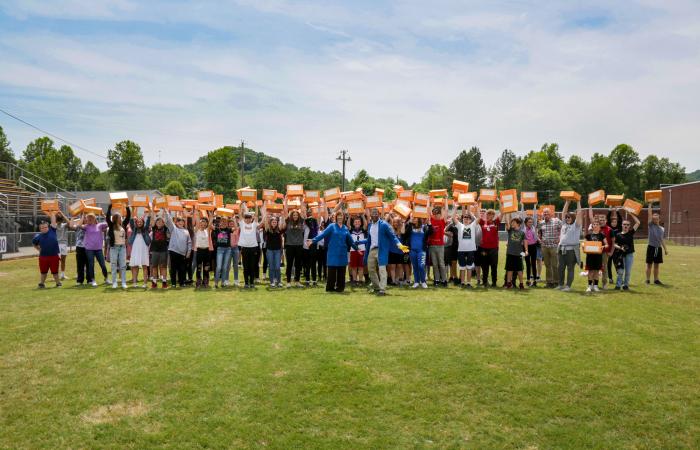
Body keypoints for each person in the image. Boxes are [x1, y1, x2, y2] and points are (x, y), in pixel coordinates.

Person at [361, 207, 409, 296]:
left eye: (376, 213)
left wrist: (400, 245)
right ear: (370, 215)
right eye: (373, 213)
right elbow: (370, 239)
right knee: (371, 269)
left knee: (382, 269)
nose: (374, 215)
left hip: (381, 250)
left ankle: (382, 289)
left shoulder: (384, 225)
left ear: (379, 215)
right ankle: (376, 287)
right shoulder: (370, 226)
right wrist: (360, 242)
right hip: (372, 250)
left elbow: (393, 236)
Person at [309, 209, 358, 292]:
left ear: (343, 218)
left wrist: (357, 248)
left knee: (341, 272)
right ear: (336, 217)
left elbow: (350, 241)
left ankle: (340, 288)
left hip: (342, 253)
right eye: (338, 216)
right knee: (331, 271)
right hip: (332, 253)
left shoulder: (345, 228)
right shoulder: (332, 226)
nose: (340, 217)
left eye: (341, 216)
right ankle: (330, 288)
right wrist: (313, 240)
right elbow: (323, 234)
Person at [557, 200, 583, 292]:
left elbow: (579, 214)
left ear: (573, 218)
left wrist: (578, 202)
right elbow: (563, 212)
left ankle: (568, 286)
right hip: (561, 249)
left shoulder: (576, 225)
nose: (567, 218)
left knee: (570, 268)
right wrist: (567, 202)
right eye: (567, 217)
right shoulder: (564, 224)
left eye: (569, 217)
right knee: (560, 267)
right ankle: (560, 284)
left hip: (571, 250)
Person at [163, 209, 192, 289]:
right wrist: (166, 212)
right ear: (176, 223)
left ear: (184, 223)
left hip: (182, 253)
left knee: (182, 269)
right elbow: (169, 221)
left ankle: (182, 283)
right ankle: (173, 283)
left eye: (182, 222)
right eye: (179, 221)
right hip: (173, 252)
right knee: (173, 268)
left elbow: (189, 243)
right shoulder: (173, 229)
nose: (181, 223)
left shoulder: (186, 231)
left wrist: (188, 252)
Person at [451, 206, 479, 288]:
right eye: (464, 218)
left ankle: (469, 283)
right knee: (462, 267)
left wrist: (476, 208)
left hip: (470, 250)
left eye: (468, 218)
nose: (466, 219)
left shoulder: (473, 225)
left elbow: (479, 218)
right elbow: (453, 217)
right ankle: (462, 282)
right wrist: (455, 207)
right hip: (461, 250)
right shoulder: (460, 225)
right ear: (462, 219)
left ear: (470, 220)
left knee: (469, 267)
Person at [80, 212, 109, 287]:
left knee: (102, 264)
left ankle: (106, 279)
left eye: (91, 218)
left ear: (94, 219)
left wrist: (103, 215)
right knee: (91, 265)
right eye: (88, 218)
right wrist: (83, 216)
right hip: (89, 249)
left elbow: (109, 222)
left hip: (98, 249)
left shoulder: (99, 225)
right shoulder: (86, 226)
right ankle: (93, 280)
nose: (89, 219)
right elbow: (79, 225)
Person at [32, 213, 61, 288]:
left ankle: (58, 283)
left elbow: (53, 221)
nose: (44, 229)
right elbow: (34, 244)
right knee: (43, 271)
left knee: (55, 271)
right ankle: (42, 283)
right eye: (42, 228)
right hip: (43, 257)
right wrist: (39, 249)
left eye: (45, 227)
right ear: (40, 229)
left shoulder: (52, 230)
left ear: (48, 227)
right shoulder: (37, 236)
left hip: (54, 256)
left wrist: (52, 212)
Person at [105, 204, 131, 289]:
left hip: (122, 248)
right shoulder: (111, 225)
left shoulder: (123, 225)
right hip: (114, 248)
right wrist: (109, 207)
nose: (121, 218)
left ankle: (123, 282)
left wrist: (127, 207)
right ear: (116, 218)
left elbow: (128, 216)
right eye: (120, 217)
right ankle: (114, 282)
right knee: (113, 265)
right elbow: (107, 217)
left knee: (123, 265)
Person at [613, 212, 640, 290]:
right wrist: (620, 248)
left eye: (627, 225)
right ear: (622, 225)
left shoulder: (631, 233)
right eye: (624, 224)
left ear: (629, 226)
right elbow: (614, 244)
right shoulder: (618, 234)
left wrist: (631, 214)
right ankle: (618, 285)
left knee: (628, 271)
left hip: (629, 255)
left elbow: (638, 222)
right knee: (620, 271)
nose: (626, 226)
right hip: (620, 255)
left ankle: (625, 285)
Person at [404, 214, 432, 288]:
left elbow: (431, 232)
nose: (414, 219)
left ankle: (423, 281)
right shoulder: (410, 227)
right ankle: (416, 282)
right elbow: (405, 234)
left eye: (415, 218)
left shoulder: (424, 227)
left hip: (421, 250)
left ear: (419, 219)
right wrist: (409, 222)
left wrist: (429, 224)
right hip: (412, 250)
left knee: (421, 266)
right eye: (413, 218)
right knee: (415, 266)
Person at [588, 206, 613, 290]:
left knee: (604, 268)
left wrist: (611, 251)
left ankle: (604, 283)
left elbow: (613, 242)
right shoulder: (595, 228)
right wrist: (590, 206)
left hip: (604, 252)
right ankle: (592, 285)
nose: (601, 221)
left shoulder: (609, 229)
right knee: (593, 268)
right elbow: (591, 217)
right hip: (593, 252)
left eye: (603, 220)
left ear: (606, 221)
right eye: (600, 220)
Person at [538, 206, 562, 288]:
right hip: (544, 247)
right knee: (547, 265)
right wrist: (540, 240)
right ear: (543, 214)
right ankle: (549, 282)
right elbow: (539, 233)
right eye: (544, 213)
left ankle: (556, 282)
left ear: (551, 213)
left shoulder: (556, 221)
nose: (546, 214)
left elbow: (564, 230)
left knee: (555, 265)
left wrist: (559, 238)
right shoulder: (541, 223)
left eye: (547, 213)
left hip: (554, 246)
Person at [282, 202, 305, 287]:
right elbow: (285, 211)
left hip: (299, 245)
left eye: (296, 215)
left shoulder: (301, 221)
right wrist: (286, 201)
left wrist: (302, 200)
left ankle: (297, 281)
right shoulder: (288, 221)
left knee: (298, 264)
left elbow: (303, 211)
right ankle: (288, 282)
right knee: (289, 264)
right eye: (294, 215)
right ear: (291, 215)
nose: (295, 216)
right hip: (290, 246)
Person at [478, 205, 501, 288]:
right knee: (484, 266)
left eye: (491, 214)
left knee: (494, 266)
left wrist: (499, 202)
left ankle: (494, 282)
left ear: (493, 216)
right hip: (484, 248)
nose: (488, 216)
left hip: (494, 248)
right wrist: (478, 203)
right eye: (487, 214)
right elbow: (477, 216)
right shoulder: (482, 222)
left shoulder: (496, 222)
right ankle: (484, 282)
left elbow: (502, 213)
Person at [238, 203, 260, 289]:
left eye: (249, 218)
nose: (247, 220)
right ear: (244, 219)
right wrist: (240, 206)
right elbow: (240, 214)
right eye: (246, 218)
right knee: (245, 267)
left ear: (251, 219)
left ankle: (252, 282)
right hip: (245, 248)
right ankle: (246, 283)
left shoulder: (254, 225)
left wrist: (256, 206)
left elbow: (257, 215)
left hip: (253, 248)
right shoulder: (242, 224)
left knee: (252, 266)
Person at [645, 202, 668, 285]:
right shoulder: (651, 225)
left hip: (658, 248)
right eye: (653, 219)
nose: (655, 220)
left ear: (659, 219)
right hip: (651, 247)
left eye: (656, 219)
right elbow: (649, 214)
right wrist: (650, 204)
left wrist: (665, 249)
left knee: (657, 265)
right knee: (649, 265)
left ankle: (656, 280)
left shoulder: (662, 229)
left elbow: (661, 239)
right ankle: (647, 280)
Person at [504, 215, 527, 289]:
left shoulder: (522, 233)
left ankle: (521, 284)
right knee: (509, 269)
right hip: (510, 253)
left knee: (519, 270)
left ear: (518, 224)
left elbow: (525, 242)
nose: (512, 224)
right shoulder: (510, 230)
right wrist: (506, 213)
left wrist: (526, 250)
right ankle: (508, 283)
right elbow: (507, 222)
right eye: (512, 223)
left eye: (513, 223)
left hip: (519, 254)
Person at [262, 206, 283, 288]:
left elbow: (283, 222)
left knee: (277, 266)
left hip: (277, 250)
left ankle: (279, 281)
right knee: (271, 266)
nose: (274, 223)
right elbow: (265, 221)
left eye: (275, 222)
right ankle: (272, 282)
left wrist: (282, 214)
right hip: (269, 250)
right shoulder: (267, 230)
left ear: (277, 223)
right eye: (273, 222)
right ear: (270, 223)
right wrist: (266, 213)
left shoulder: (279, 230)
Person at [128, 215, 151, 288]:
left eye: (141, 222)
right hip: (135, 249)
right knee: (135, 266)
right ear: (136, 223)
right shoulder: (134, 229)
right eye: (138, 222)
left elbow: (148, 220)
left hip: (144, 249)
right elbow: (131, 220)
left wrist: (149, 213)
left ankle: (145, 283)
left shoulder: (145, 229)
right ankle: (135, 283)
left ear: (143, 223)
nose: (139, 223)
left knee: (144, 266)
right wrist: (132, 210)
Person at [584, 221, 607, 293]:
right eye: (594, 224)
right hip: (590, 256)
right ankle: (589, 286)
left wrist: (603, 246)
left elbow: (607, 245)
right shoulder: (588, 235)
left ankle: (596, 286)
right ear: (592, 226)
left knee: (597, 271)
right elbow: (584, 243)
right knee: (590, 271)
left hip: (598, 256)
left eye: (597, 224)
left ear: (599, 227)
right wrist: (583, 246)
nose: (596, 226)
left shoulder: (602, 235)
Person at [428, 205, 448, 287]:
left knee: (441, 264)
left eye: (437, 214)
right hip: (432, 246)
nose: (436, 215)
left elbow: (446, 210)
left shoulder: (442, 221)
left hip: (440, 246)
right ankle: (436, 280)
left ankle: (444, 280)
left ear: (440, 214)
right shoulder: (431, 220)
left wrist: (446, 199)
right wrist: (429, 201)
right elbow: (427, 210)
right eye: (434, 214)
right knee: (435, 264)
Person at [149, 210, 170, 289]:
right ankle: (154, 282)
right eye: (158, 221)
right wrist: (152, 209)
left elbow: (166, 219)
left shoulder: (165, 228)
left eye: (161, 222)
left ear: (163, 223)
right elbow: (152, 219)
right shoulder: (154, 228)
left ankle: (164, 282)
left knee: (163, 267)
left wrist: (165, 210)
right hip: (154, 250)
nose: (159, 223)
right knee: (154, 267)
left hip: (163, 250)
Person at [193, 211, 213, 288]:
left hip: (206, 251)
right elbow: (198, 222)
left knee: (206, 267)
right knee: (199, 267)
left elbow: (210, 222)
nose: (203, 224)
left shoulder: (207, 230)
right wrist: (197, 214)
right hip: (199, 251)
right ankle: (198, 281)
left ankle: (206, 281)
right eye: (201, 223)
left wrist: (211, 216)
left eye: (204, 223)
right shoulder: (196, 230)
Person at [212, 216, 234, 288]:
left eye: (225, 222)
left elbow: (236, 228)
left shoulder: (229, 229)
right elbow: (209, 226)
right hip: (220, 249)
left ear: (227, 223)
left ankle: (223, 282)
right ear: (220, 223)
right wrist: (211, 217)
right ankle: (216, 283)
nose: (223, 223)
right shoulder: (217, 229)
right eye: (222, 221)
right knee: (218, 267)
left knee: (225, 267)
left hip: (228, 249)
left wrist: (233, 219)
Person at [607, 207, 624, 285]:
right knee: (608, 264)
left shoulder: (619, 228)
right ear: (611, 223)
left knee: (616, 263)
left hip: (616, 249)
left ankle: (619, 278)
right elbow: (607, 219)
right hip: (609, 249)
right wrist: (610, 211)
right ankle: (610, 278)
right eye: (613, 222)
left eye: (615, 222)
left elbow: (620, 220)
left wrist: (617, 211)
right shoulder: (609, 228)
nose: (614, 223)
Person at [348, 215, 366, 287]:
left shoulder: (363, 229)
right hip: (353, 250)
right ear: (353, 223)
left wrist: (363, 215)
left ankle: (360, 280)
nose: (357, 223)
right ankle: (354, 280)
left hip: (362, 250)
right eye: (356, 222)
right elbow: (348, 224)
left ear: (360, 223)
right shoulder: (351, 229)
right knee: (354, 267)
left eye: (358, 222)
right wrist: (350, 215)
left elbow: (365, 224)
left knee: (361, 267)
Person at [69, 216, 87, 285]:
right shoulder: (78, 226)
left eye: (86, 218)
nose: (85, 219)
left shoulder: (89, 226)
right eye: (84, 218)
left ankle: (89, 279)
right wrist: (73, 216)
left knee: (88, 264)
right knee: (80, 265)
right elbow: (71, 225)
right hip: (79, 247)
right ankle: (80, 280)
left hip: (88, 247)